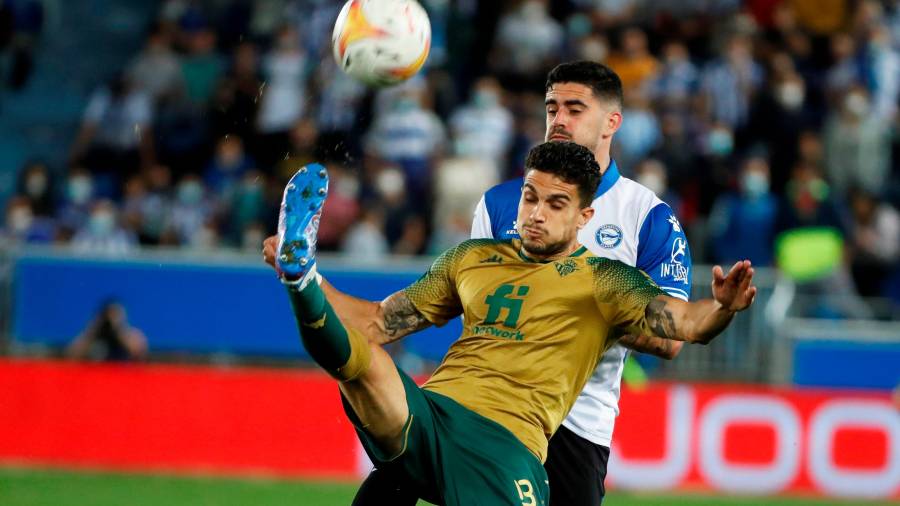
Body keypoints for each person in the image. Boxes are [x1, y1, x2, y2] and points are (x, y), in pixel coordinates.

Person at [264, 145, 756, 505]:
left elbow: (688, 324)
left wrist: (723, 308)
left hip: (505, 447)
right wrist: (314, 280)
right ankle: (300, 278)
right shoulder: (472, 258)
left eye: (555, 204)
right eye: (529, 198)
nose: (535, 214)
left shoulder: (605, 280)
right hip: (432, 416)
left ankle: (302, 280)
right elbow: (376, 322)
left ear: (584, 215)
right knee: (363, 362)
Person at [343, 60, 698, 506]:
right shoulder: (501, 203)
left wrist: (579, 310)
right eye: (552, 108)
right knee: (389, 485)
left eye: (574, 109)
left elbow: (670, 342)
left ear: (612, 122)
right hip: (484, 403)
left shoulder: (648, 217)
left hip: (579, 420)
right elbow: (473, 298)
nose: (559, 120)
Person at [66, 299, 148, 361]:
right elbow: (72, 353)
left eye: (116, 315)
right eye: (109, 314)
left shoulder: (129, 335)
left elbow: (139, 352)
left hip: (123, 376)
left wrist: (119, 330)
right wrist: (93, 329)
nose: (111, 320)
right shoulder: (96, 333)